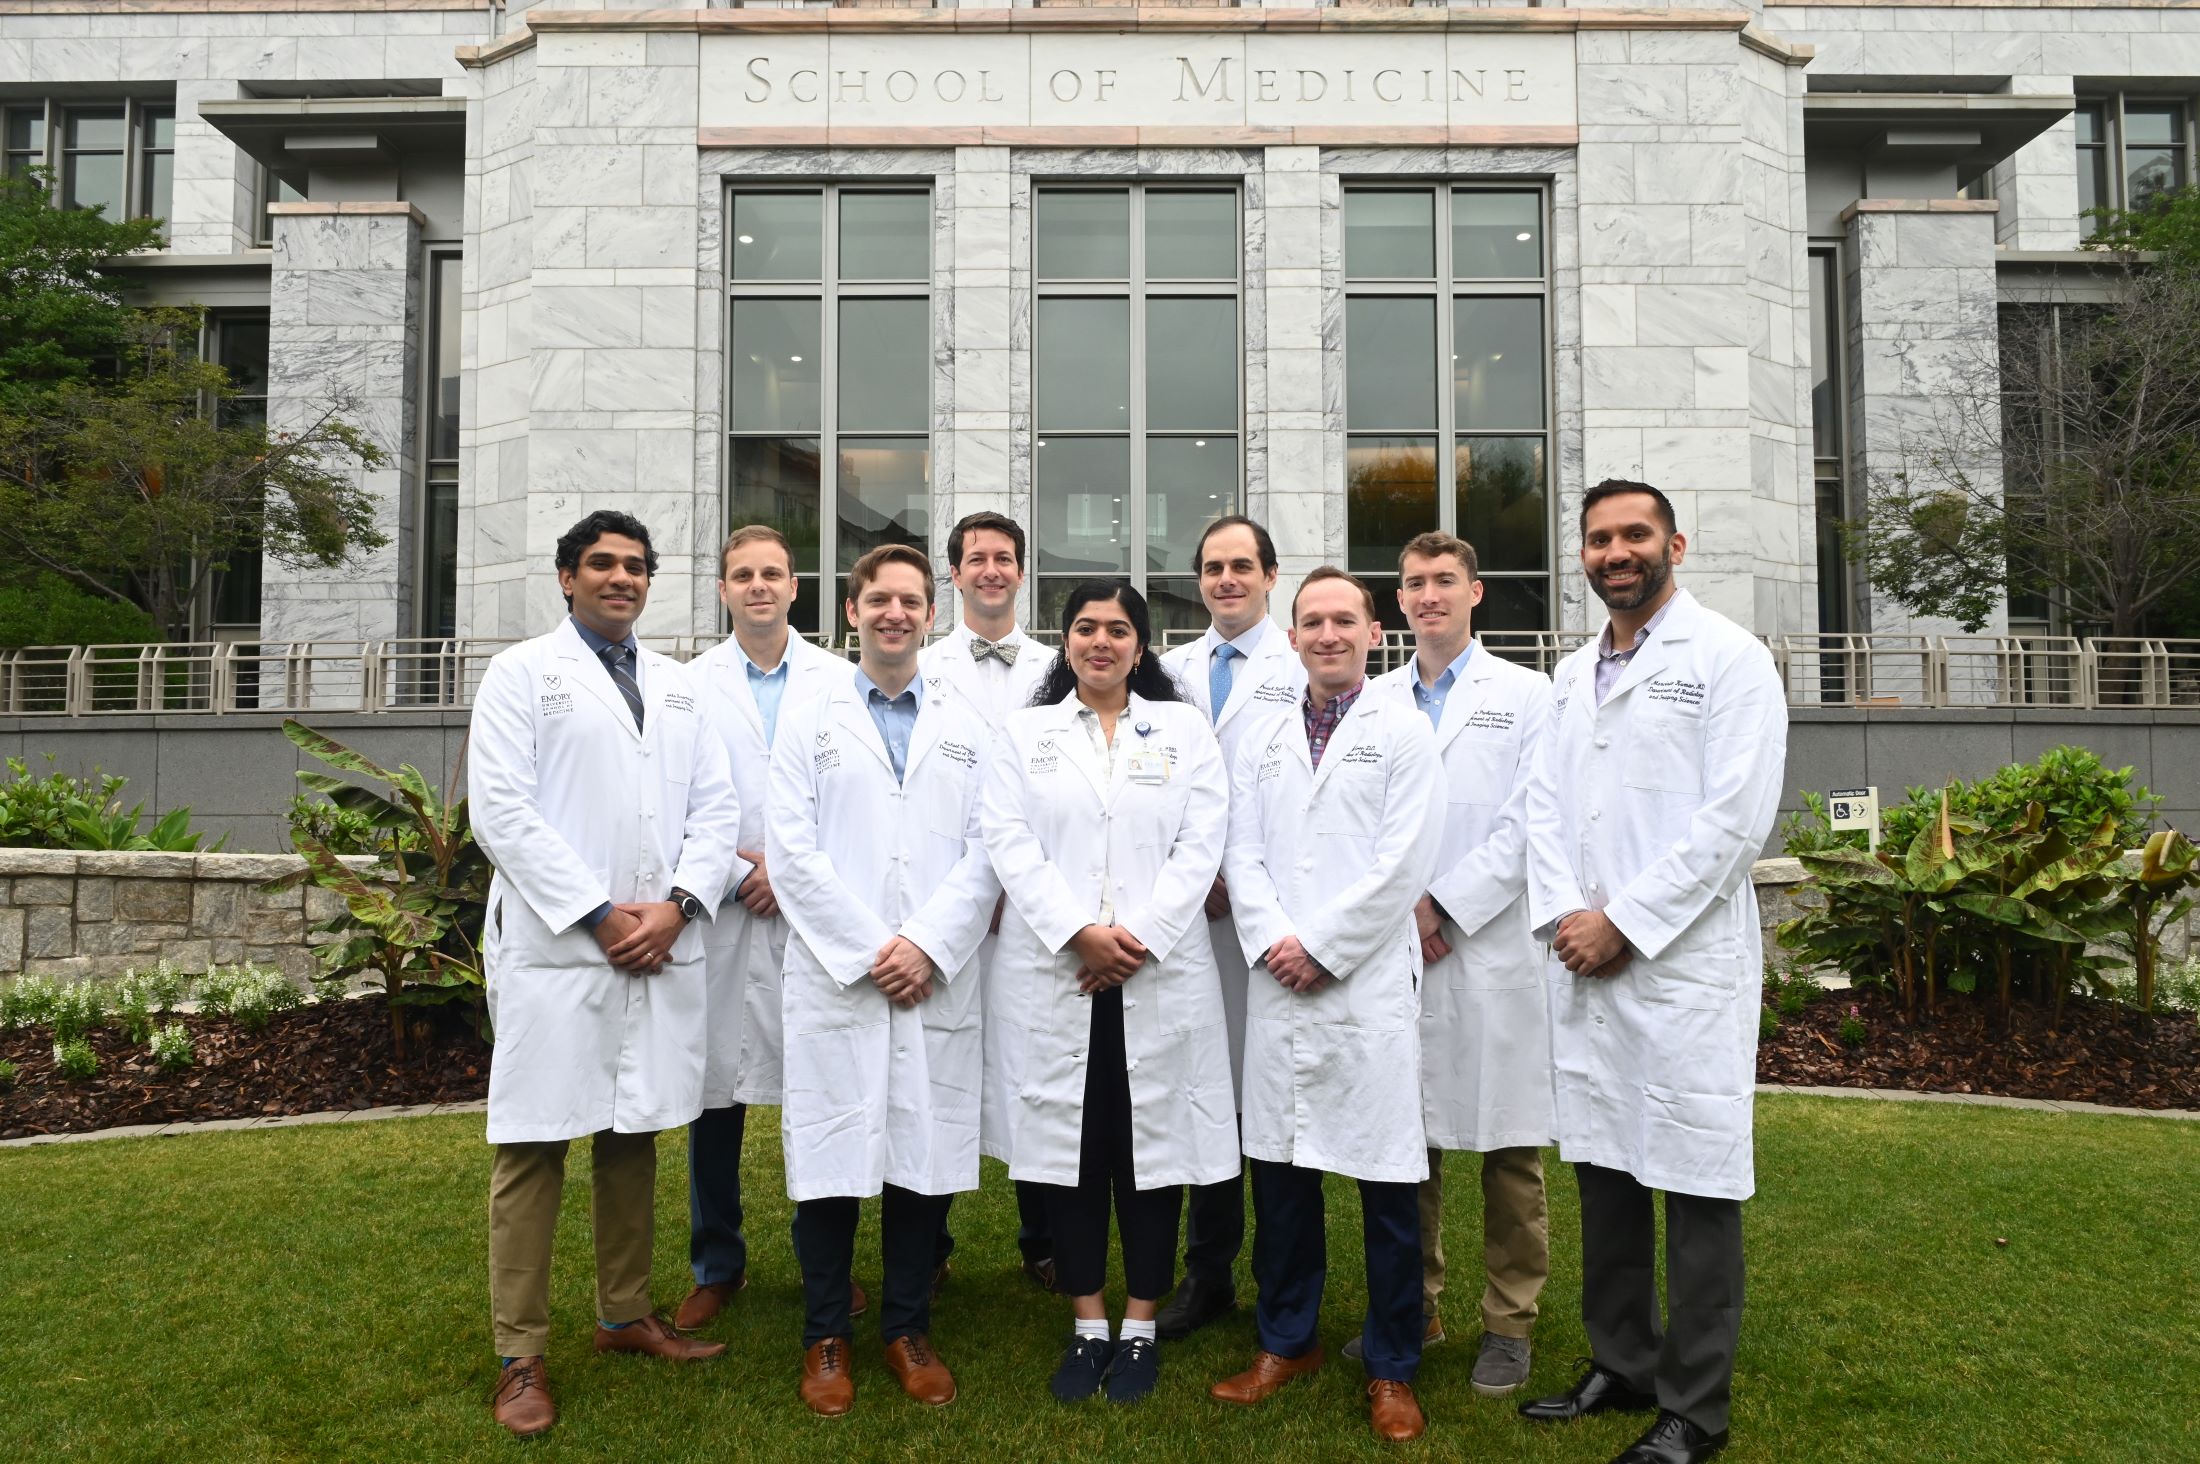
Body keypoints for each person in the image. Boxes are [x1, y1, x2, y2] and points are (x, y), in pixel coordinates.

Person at [1518, 480, 1787, 1464]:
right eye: (1597, 539)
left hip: (1678, 969)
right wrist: (1565, 919)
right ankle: (1622, 1362)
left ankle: (1694, 1409)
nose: (1615, 552)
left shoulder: (1728, 661)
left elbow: (1733, 823)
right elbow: (1540, 809)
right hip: (1583, 960)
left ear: (1676, 541)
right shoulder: (1569, 672)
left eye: (1633, 534)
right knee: (1606, 1173)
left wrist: (1623, 925)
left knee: (1697, 1185)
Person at [470, 509, 743, 1438]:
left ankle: (626, 1314)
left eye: (635, 567)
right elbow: (501, 813)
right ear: (565, 577)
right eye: (601, 565)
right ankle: (521, 1353)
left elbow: (716, 809)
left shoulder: (675, 687)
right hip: (561, 949)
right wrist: (596, 913)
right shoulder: (519, 676)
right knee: (533, 1144)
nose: (620, 579)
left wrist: (676, 906)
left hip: (659, 939)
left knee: (633, 1132)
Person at [983, 581, 1237, 1407]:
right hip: (1059, 972)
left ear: (1141, 644)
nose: (1101, 642)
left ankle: (1140, 1325)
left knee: (1151, 1156)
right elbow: (1007, 840)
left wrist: (1136, 941)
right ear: (1065, 642)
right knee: (1074, 1153)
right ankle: (1088, 1321)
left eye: (1118, 630)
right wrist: (1076, 933)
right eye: (1086, 628)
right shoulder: (1024, 733)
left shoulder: (1184, 731)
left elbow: (1205, 841)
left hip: (1155, 975)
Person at [767, 544, 1002, 1418]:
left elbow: (991, 847)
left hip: (934, 975)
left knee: (920, 1154)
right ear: (853, 610)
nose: (895, 613)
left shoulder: (970, 721)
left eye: (910, 600)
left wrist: (930, 946)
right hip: (843, 977)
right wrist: (875, 949)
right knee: (829, 1156)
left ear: (930, 614)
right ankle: (825, 1334)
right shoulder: (809, 717)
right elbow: (790, 851)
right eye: (879, 599)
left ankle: (907, 1326)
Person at [1212, 566, 1442, 1444]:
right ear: (1293, 632)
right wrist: (1278, 940)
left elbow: (1404, 862)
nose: (1328, 635)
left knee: (1385, 1189)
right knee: (1282, 1181)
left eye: (1344, 620)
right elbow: (1243, 850)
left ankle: (1391, 1366)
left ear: (1373, 633)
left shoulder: (1404, 731)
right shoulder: (1265, 735)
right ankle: (1287, 1340)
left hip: (1363, 986)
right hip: (1281, 981)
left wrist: (1321, 948)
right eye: (1312, 622)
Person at [1347, 531, 1555, 1397]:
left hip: (1488, 946)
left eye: (1443, 581)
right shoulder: (1374, 698)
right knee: (1409, 1143)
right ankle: (1416, 1304)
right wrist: (1402, 910)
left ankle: (1509, 1323)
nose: (1428, 595)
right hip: (1396, 950)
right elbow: (1359, 825)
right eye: (1413, 584)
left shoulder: (1529, 695)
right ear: (1397, 603)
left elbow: (1529, 822)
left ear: (1476, 593)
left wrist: (1443, 906)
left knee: (1508, 1153)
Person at [675, 525, 850, 1332]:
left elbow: (856, 803)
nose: (758, 587)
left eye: (772, 574)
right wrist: (738, 872)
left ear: (794, 587)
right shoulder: (687, 687)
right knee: (714, 1094)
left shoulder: (841, 681)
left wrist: (790, 871)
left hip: (809, 915)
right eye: (742, 574)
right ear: (722, 589)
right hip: (724, 911)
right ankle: (718, 1262)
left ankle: (830, 1263)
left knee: (822, 1090)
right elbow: (678, 802)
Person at [1151, 515, 1305, 1341]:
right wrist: (1189, 875)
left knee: (1269, 1108)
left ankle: (1281, 1283)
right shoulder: (1169, 670)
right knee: (1197, 1099)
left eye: (1242, 566)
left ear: (1270, 576)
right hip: (1184, 917)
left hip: (1268, 918)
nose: (1226, 580)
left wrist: (1233, 879)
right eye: (1212, 568)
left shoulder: (1299, 662)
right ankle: (1205, 1273)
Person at [919, 511, 1057, 1292]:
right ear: (956, 573)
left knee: (1034, 1067)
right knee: (939, 1066)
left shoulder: (1057, 664)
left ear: (1022, 570)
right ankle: (929, 1244)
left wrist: (1025, 886)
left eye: (1005, 557)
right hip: (946, 896)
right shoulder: (924, 663)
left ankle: (1042, 1239)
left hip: (1034, 904)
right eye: (977, 558)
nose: (992, 570)